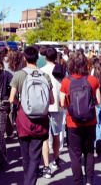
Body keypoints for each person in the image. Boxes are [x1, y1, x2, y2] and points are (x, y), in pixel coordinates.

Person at [9, 46, 54, 185]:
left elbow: (11, 99)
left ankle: (26, 181)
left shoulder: (19, 75)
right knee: (35, 155)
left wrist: (20, 105)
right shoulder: (45, 76)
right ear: (37, 59)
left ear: (24, 58)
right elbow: (51, 100)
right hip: (40, 120)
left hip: (23, 119)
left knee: (25, 155)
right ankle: (30, 182)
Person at [59, 51, 101, 185]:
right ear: (85, 64)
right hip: (90, 122)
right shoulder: (92, 80)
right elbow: (98, 101)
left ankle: (78, 182)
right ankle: (89, 181)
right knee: (89, 152)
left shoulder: (66, 81)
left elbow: (62, 103)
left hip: (73, 124)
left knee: (75, 155)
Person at [39, 47, 65, 178]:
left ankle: (46, 166)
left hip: (44, 107)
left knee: (44, 137)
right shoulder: (61, 70)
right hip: (58, 107)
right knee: (56, 134)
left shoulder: (41, 71)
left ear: (45, 58)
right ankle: (56, 159)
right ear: (56, 57)